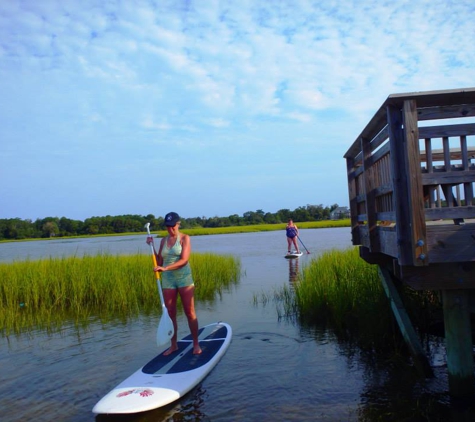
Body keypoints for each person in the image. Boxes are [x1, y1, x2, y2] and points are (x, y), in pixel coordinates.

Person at [146, 212, 202, 355]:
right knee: (170, 313)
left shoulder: (185, 238)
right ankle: (173, 345)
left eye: (172, 226)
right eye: (167, 227)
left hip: (184, 278)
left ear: (178, 224)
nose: (170, 229)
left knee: (189, 312)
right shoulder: (163, 241)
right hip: (168, 279)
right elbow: (159, 261)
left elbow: (184, 260)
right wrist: (151, 246)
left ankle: (196, 344)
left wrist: (165, 268)